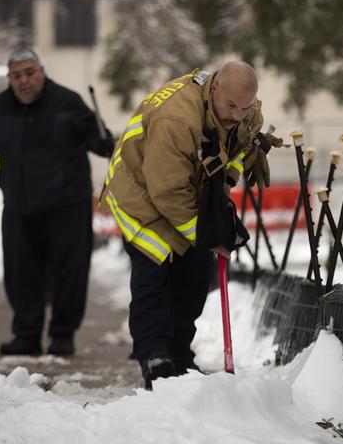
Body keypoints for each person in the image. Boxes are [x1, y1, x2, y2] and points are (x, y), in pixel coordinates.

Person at [100, 61, 276, 389]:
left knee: (195, 276)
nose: (237, 115)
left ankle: (179, 355)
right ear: (213, 89)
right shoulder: (176, 119)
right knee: (155, 274)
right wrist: (209, 235)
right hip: (141, 195)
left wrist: (224, 183)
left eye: (245, 107)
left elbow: (237, 152)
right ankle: (154, 357)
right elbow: (166, 192)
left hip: (185, 189)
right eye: (231, 106)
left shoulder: (246, 113)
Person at [0, 47, 114, 356]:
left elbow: (97, 139)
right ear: (9, 79)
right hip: (20, 206)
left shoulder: (67, 102)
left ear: (42, 71)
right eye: (16, 75)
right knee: (21, 274)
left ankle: (62, 335)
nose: (24, 81)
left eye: (29, 73)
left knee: (69, 273)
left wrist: (104, 143)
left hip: (67, 204)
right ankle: (27, 335)